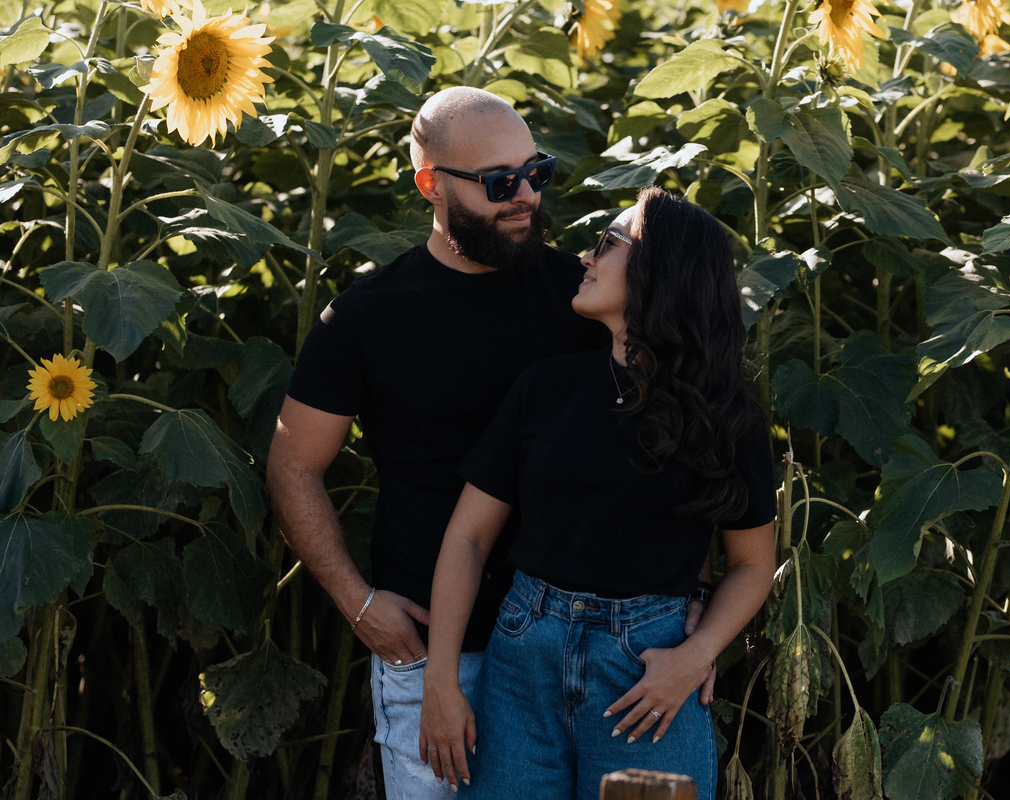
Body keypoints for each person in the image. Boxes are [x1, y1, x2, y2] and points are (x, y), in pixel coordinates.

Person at [266, 88, 711, 800]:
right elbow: (293, 464)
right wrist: (358, 603)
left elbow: (679, 433)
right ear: (431, 187)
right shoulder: (364, 319)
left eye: (537, 172)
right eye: (500, 184)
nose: (527, 196)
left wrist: (689, 611)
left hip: (599, 643)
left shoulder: (585, 294)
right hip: (436, 647)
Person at [420, 187, 778, 800]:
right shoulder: (547, 388)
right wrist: (441, 683)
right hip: (520, 664)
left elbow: (752, 565)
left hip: (646, 674)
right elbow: (468, 539)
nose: (586, 258)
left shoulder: (725, 414)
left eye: (609, 244)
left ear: (659, 272)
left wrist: (696, 654)